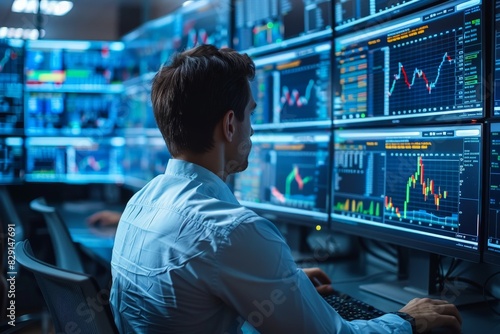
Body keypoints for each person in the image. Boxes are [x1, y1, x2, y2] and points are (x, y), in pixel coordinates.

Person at [109, 44, 462, 333]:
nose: (253, 130)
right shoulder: (232, 231)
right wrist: (407, 321)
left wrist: (278, 284)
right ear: (230, 125)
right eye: (251, 113)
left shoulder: (140, 203)